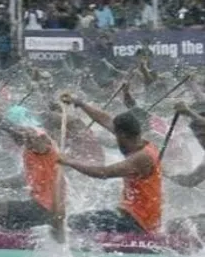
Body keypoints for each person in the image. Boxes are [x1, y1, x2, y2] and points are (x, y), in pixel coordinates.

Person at [0, 93, 65, 230]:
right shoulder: (30, 150)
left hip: (46, 208)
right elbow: (22, 180)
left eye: (22, 131)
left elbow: (2, 123)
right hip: (41, 205)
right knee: (2, 220)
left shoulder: (40, 144)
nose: (14, 134)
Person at [59, 93, 161, 234]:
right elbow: (104, 119)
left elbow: (103, 173)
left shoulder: (142, 157)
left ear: (123, 135)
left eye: (116, 133)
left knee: (74, 222)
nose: (113, 133)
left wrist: (68, 161)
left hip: (139, 222)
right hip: (131, 213)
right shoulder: (134, 140)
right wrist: (80, 103)